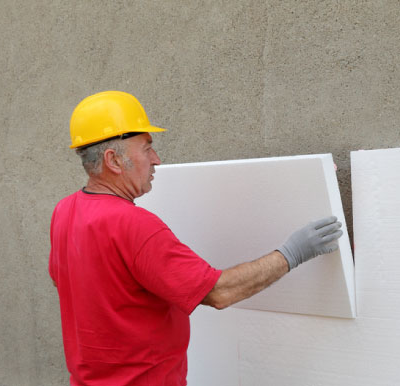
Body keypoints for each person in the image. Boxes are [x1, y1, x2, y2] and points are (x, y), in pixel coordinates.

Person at [49, 90, 343, 385]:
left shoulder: (65, 212)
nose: (157, 160)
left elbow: (79, 284)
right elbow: (218, 292)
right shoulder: (133, 225)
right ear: (114, 161)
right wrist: (291, 254)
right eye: (147, 148)